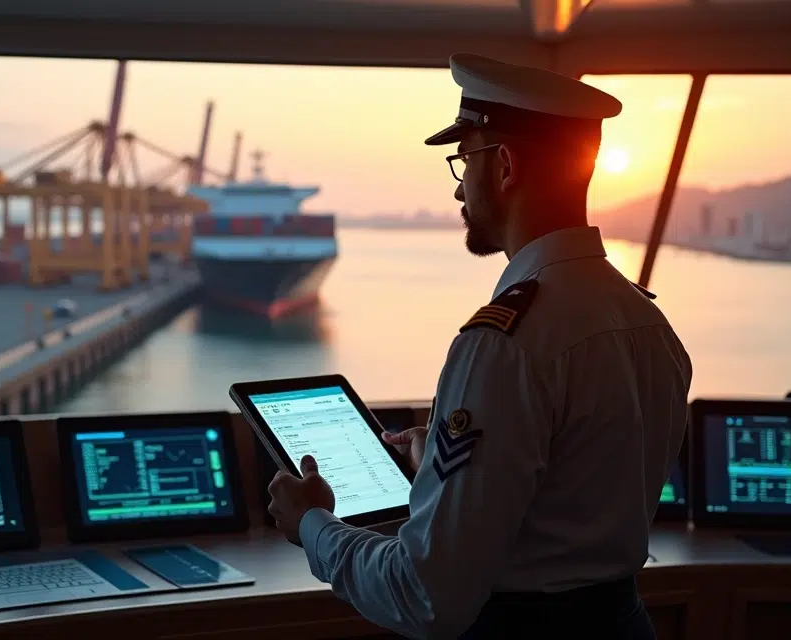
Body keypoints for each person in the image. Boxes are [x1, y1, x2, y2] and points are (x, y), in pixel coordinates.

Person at [266, 53, 693, 639]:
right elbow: (565, 491)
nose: (460, 185)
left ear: (505, 165)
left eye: (464, 160)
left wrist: (311, 523)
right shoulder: (647, 321)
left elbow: (424, 596)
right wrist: (437, 466)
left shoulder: (504, 344)